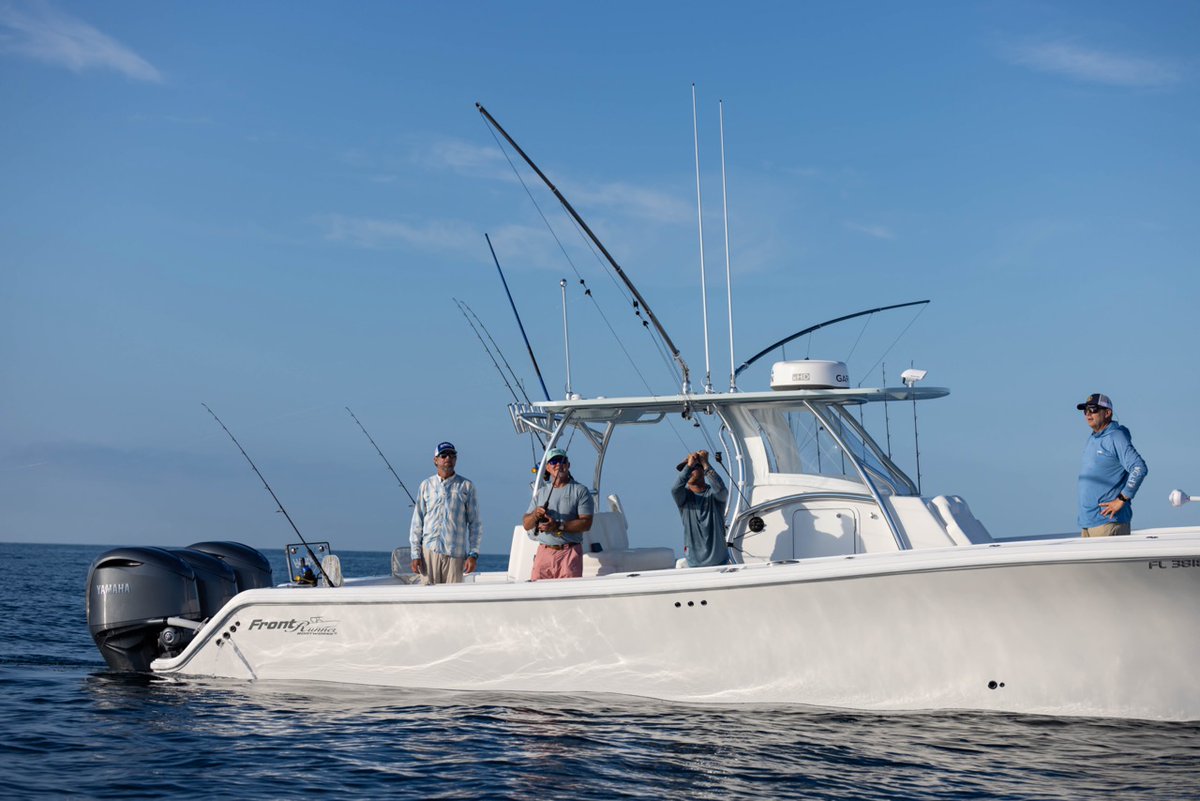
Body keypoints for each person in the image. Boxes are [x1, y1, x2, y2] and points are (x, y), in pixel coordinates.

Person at [409, 441, 482, 584]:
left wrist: (473, 554)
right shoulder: (425, 485)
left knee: (453, 599)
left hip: (455, 554)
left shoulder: (466, 486)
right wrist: (415, 554)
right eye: (443, 455)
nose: (448, 458)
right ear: (435, 460)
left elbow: (475, 524)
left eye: (452, 455)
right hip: (429, 554)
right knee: (427, 599)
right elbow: (417, 522)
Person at [1076, 393, 1148, 537]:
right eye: (1086, 410)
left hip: (1109, 523)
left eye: (1093, 409)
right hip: (1088, 523)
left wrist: (1121, 499)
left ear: (1107, 413)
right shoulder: (1094, 437)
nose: (1088, 414)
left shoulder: (1116, 436)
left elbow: (1139, 467)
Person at [522, 448, 593, 580]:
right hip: (544, 553)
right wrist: (535, 515)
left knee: (569, 596)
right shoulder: (541, 493)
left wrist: (557, 526)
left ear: (568, 465)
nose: (558, 464)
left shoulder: (580, 491)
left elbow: (586, 523)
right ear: (547, 468)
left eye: (562, 461)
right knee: (538, 595)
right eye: (553, 462)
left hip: (570, 553)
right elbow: (526, 524)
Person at [671, 450, 730, 567]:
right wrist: (689, 466)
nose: (688, 472)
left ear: (702, 470)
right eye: (686, 470)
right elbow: (675, 489)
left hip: (720, 563)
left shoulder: (714, 494)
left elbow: (721, 490)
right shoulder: (684, 497)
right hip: (694, 564)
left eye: (694, 468)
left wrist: (705, 463)